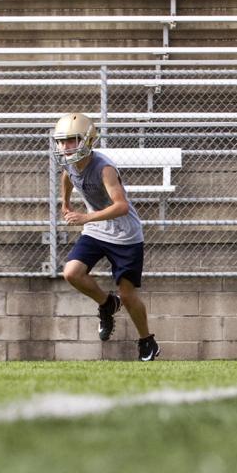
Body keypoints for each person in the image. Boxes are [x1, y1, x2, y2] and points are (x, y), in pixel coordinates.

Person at [52, 113, 160, 361]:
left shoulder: (104, 168)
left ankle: (147, 341)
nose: (65, 147)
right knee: (71, 273)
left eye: (71, 140)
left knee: (128, 295)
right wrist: (65, 202)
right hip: (97, 230)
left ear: (87, 140)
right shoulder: (70, 162)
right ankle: (107, 303)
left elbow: (121, 206)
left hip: (125, 235)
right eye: (61, 141)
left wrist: (86, 217)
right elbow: (68, 176)